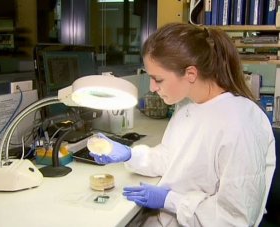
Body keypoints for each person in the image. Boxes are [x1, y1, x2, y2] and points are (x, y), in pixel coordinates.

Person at [89, 23, 276, 226]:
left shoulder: (240, 124)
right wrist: (130, 154)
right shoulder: (188, 105)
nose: (152, 88)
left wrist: (170, 200)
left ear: (191, 74)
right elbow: (172, 157)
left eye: (158, 79)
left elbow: (234, 219)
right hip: (171, 217)